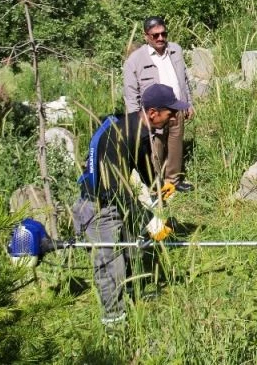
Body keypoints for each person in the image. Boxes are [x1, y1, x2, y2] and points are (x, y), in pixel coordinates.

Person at [72, 84, 189, 324]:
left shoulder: (139, 128)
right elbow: (114, 189)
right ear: (154, 113)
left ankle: (131, 295)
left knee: (130, 251)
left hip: (116, 198)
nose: (174, 116)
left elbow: (141, 161)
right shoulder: (117, 136)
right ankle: (114, 323)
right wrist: (150, 220)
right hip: (98, 206)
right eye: (171, 112)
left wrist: (157, 189)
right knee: (110, 266)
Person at [124, 17, 195, 192]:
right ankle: (155, 185)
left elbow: (184, 79)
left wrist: (188, 103)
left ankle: (173, 180)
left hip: (176, 108)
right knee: (154, 149)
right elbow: (130, 94)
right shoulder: (135, 60)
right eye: (155, 35)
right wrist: (136, 122)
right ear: (146, 36)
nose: (160, 38)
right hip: (153, 115)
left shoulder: (175, 50)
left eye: (164, 34)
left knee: (175, 145)